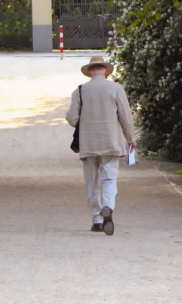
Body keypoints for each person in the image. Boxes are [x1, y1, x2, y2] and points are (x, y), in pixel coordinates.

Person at [66, 56, 136, 235]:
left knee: (92, 182)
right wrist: (130, 138)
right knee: (109, 179)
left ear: (90, 72)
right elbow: (125, 117)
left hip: (88, 144)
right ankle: (108, 206)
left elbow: (72, 118)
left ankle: (97, 221)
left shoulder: (80, 90)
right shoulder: (116, 88)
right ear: (105, 71)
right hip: (111, 142)